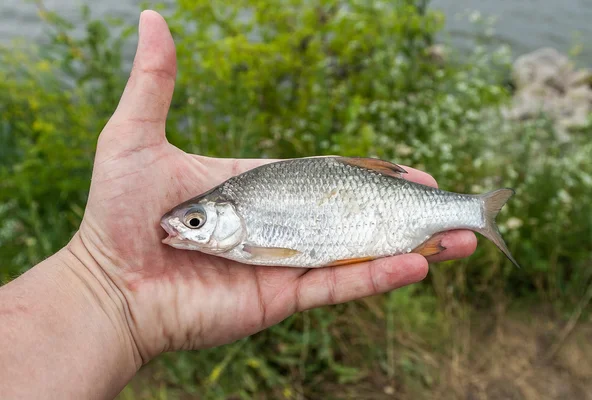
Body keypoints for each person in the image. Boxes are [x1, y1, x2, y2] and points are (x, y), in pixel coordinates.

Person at [0, 10, 477, 399]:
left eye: (194, 221)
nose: (183, 229)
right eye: (193, 220)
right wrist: (103, 284)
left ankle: (478, 213)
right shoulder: (238, 218)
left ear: (228, 213)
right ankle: (477, 213)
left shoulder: (246, 221)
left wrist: (104, 291)